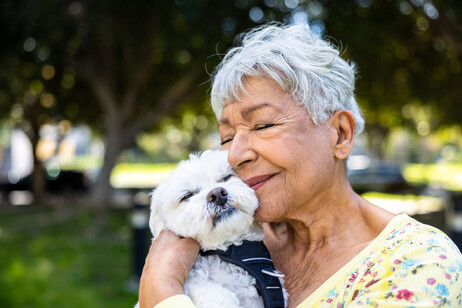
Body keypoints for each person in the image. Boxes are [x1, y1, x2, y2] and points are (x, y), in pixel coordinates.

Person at [138, 24, 462, 308]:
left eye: (263, 125)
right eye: (226, 137)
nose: (235, 154)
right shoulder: (234, 238)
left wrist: (161, 288)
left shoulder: (417, 265)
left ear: (340, 134)